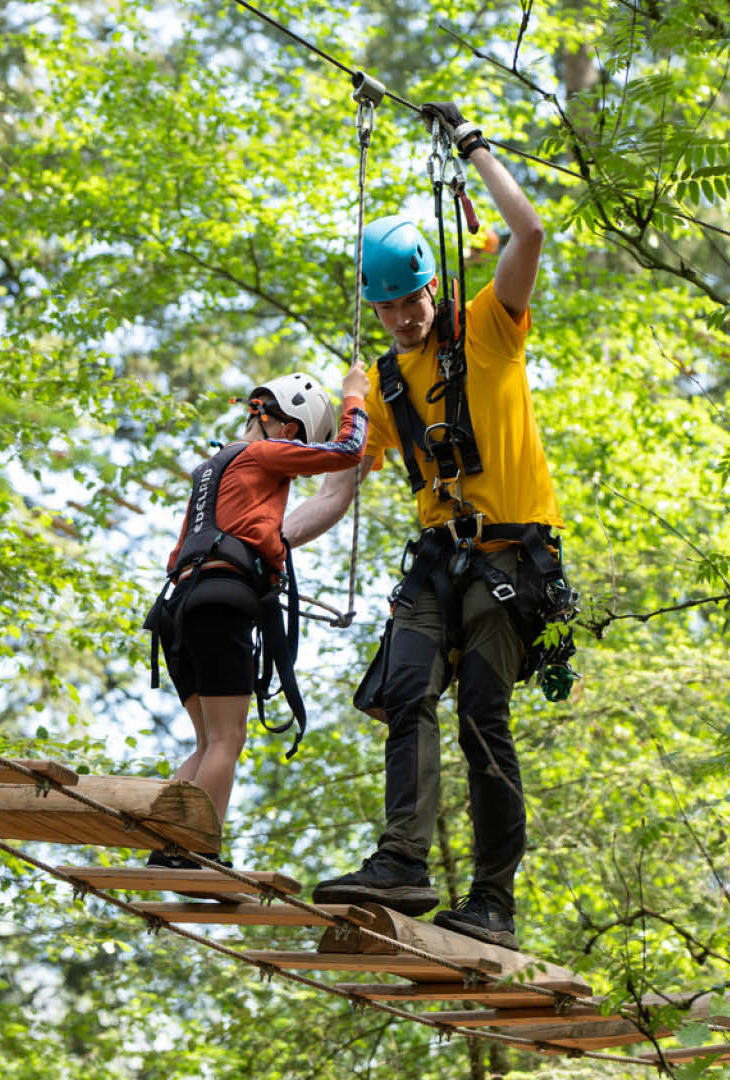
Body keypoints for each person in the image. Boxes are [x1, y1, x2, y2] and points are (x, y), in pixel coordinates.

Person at [287, 102, 572, 950]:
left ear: (433, 287)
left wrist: (475, 149)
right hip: (437, 565)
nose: (403, 319)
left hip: (513, 560)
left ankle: (493, 902)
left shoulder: (490, 328)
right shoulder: (377, 385)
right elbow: (336, 495)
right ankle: (401, 861)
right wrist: (260, 542)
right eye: (388, 309)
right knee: (405, 691)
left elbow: (528, 232)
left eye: (411, 302)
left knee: (484, 710)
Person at [145, 364, 369, 870]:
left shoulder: (215, 465)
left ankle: (165, 843)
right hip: (220, 602)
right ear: (290, 430)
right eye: (301, 445)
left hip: (178, 606)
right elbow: (346, 452)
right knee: (229, 737)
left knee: (208, 741)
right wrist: (354, 398)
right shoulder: (267, 451)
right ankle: (194, 849)